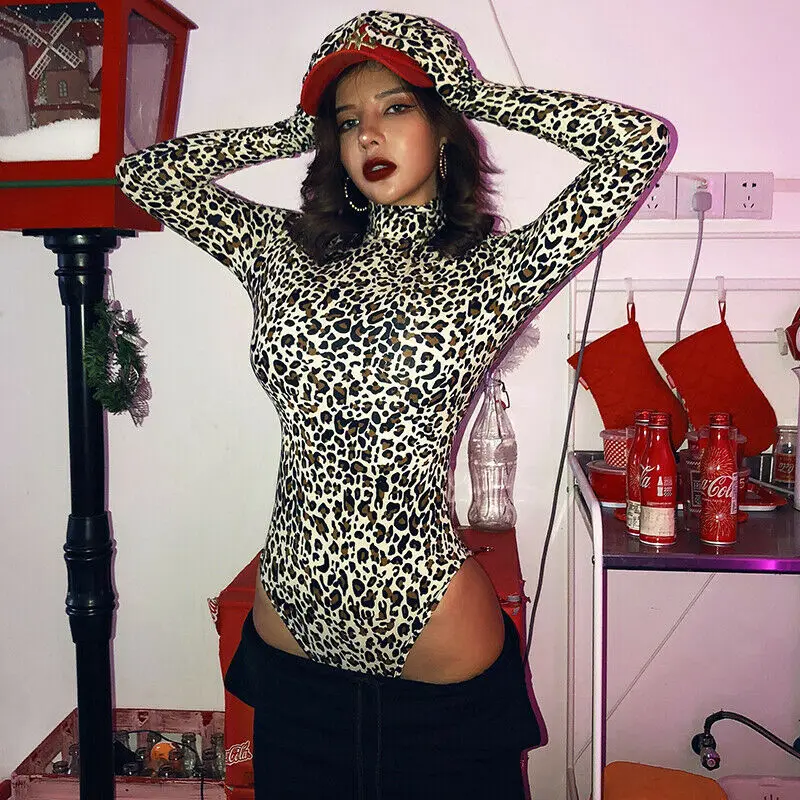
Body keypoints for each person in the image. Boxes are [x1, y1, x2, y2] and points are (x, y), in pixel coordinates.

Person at [116, 9, 674, 799]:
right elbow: (146, 175)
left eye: (397, 107)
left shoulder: (492, 271)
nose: (368, 135)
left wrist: (475, 96)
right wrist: (292, 130)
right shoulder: (282, 252)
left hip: (438, 685)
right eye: (348, 121)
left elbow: (638, 145)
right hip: (294, 673)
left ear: (442, 128)